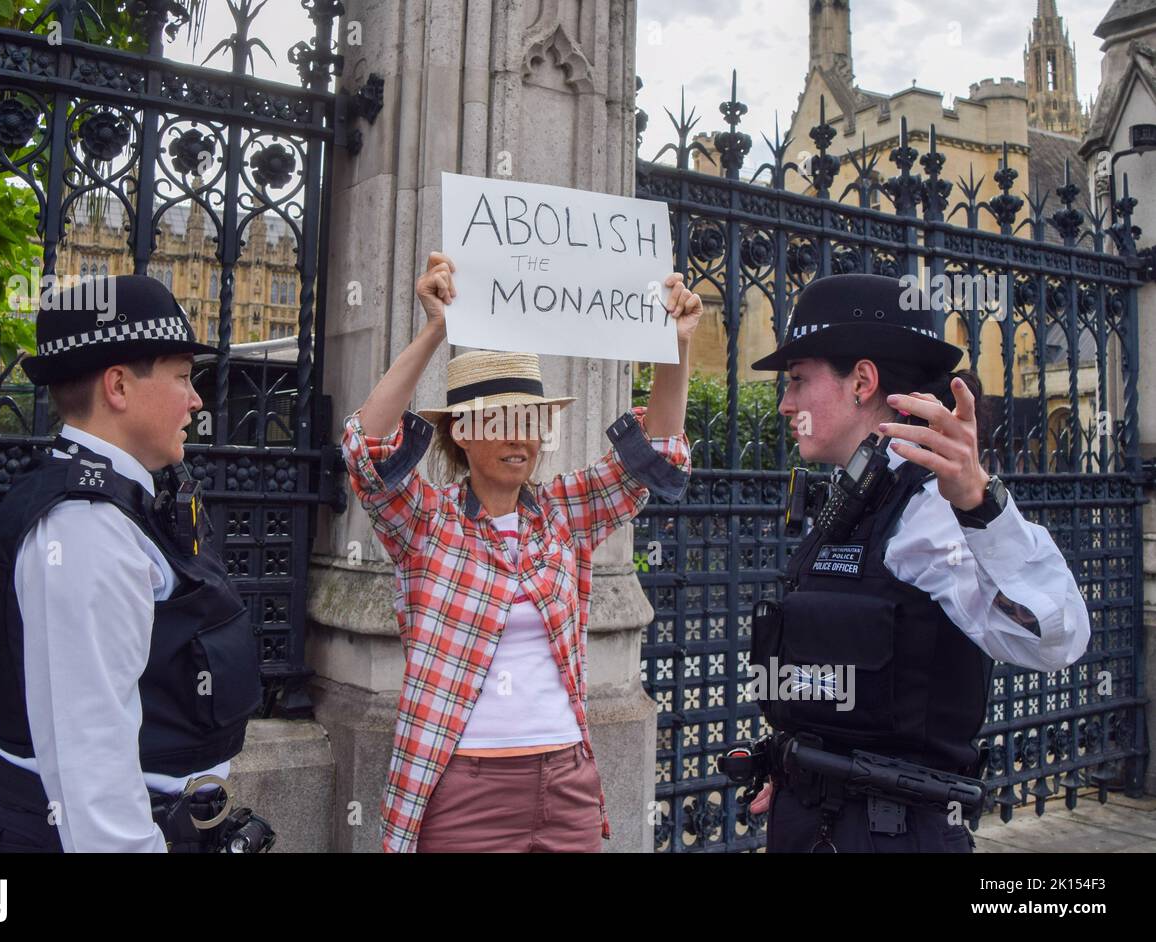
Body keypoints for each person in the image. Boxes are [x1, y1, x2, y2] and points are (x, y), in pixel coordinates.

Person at [340, 251, 702, 852]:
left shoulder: (563, 513)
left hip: (566, 782)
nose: (519, 436)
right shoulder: (426, 521)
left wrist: (678, 345)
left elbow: (655, 458)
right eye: (498, 419)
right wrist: (435, 328)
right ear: (462, 431)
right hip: (463, 787)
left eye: (529, 419)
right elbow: (367, 449)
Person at [744, 272, 1090, 853]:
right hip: (818, 821)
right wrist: (801, 767)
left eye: (798, 382)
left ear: (862, 381)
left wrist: (981, 506)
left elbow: (1058, 639)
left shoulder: (933, 506)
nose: (785, 404)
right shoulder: (852, 498)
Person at [0, 274, 269, 853]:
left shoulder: (124, 500)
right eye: (182, 376)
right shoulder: (84, 527)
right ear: (119, 387)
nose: (196, 399)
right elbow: (90, 767)